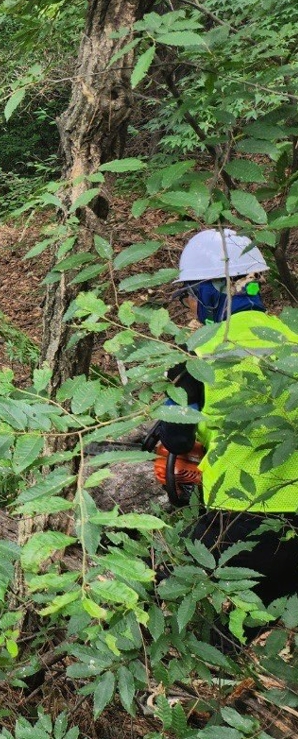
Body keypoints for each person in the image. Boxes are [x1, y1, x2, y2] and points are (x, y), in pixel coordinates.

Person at [156, 227, 298, 644]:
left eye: (193, 296)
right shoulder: (291, 340)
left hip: (238, 518)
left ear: (213, 293)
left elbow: (177, 441)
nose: (192, 309)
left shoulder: (197, 356)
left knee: (201, 610)